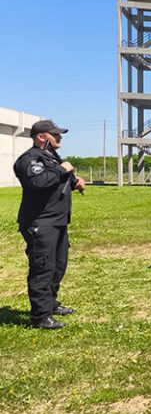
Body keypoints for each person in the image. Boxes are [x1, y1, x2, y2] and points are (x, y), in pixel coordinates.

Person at [13, 120, 84, 330]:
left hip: (58, 222)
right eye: (55, 134)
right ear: (42, 137)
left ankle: (51, 304)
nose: (59, 137)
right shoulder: (30, 159)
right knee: (42, 269)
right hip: (40, 223)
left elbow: (58, 181)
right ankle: (40, 317)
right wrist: (63, 170)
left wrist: (75, 181)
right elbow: (37, 182)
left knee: (57, 266)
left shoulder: (51, 158)